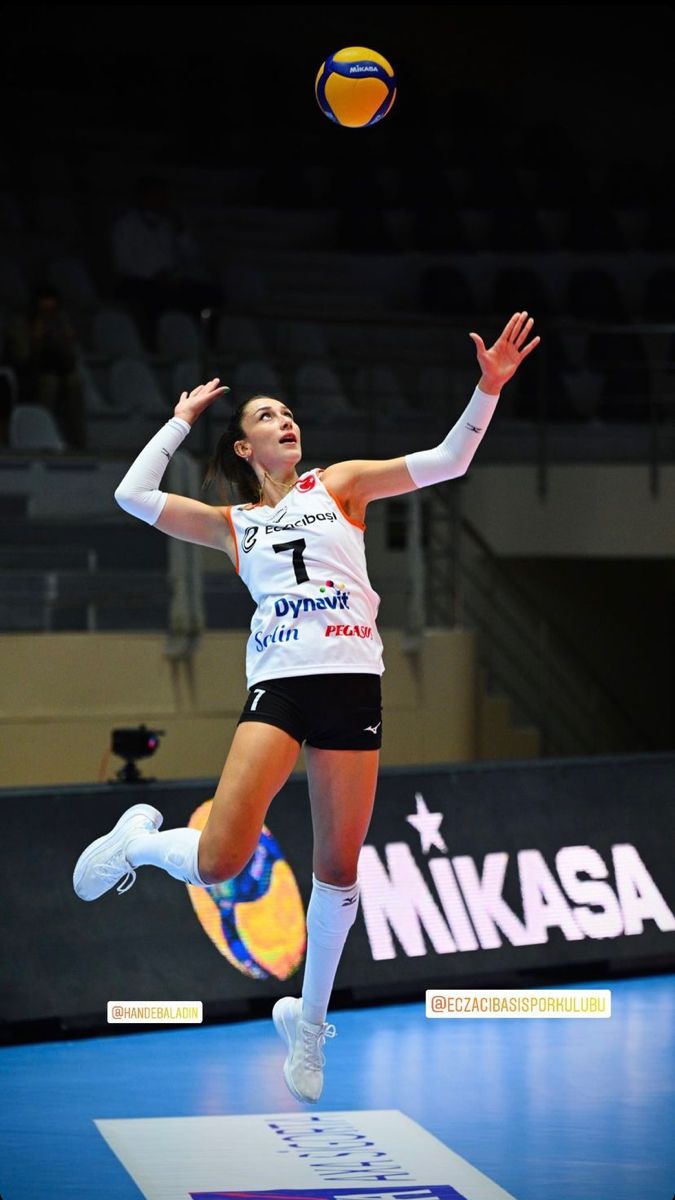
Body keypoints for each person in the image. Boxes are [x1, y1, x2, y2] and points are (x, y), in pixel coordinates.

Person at [72, 311, 540, 1103]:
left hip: (354, 681)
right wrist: (180, 420)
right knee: (220, 860)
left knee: (338, 868)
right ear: (243, 449)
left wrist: (485, 388)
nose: (283, 422)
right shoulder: (232, 524)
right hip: (282, 686)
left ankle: (309, 1025)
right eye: (265, 418)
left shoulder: (342, 485)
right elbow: (130, 493)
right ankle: (142, 843)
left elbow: (449, 459)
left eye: (288, 414)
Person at [110, 175, 224, 347]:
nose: (162, 199)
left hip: (171, 281)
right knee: (153, 299)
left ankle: (208, 344)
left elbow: (192, 256)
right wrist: (152, 276)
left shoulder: (169, 224)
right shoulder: (125, 224)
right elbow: (122, 263)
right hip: (139, 281)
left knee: (211, 294)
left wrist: (181, 231)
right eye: (157, 194)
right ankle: (153, 345)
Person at [5, 286, 86, 449]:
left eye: (52, 311)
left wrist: (67, 341)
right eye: (44, 311)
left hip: (56, 372)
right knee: (50, 383)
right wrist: (36, 338)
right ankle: (40, 432)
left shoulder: (59, 324)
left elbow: (69, 360)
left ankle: (78, 441)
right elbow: (22, 359)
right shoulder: (19, 325)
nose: (48, 315)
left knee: (74, 382)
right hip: (24, 378)